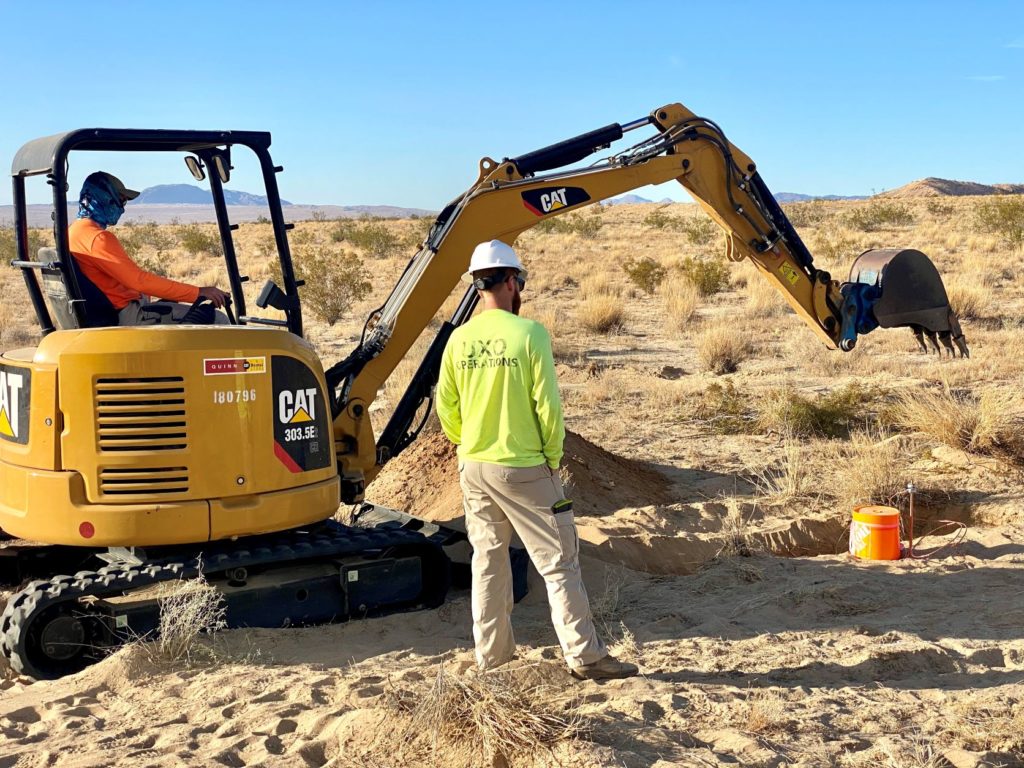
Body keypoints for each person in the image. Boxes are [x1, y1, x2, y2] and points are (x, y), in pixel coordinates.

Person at [436, 239, 638, 681]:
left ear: (476, 285)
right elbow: (548, 407)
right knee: (558, 561)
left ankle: (493, 658)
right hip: (524, 465)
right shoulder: (529, 335)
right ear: (511, 281)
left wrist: (468, 441)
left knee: (488, 562)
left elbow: (445, 407)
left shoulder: (458, 340)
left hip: (473, 466)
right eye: (519, 281)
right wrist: (551, 459)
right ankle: (586, 657)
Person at [68, 171, 230, 325]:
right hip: (128, 315)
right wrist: (198, 293)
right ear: (104, 199)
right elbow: (139, 281)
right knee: (218, 319)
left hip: (113, 310)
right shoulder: (97, 238)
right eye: (121, 200)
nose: (122, 209)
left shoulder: (72, 232)